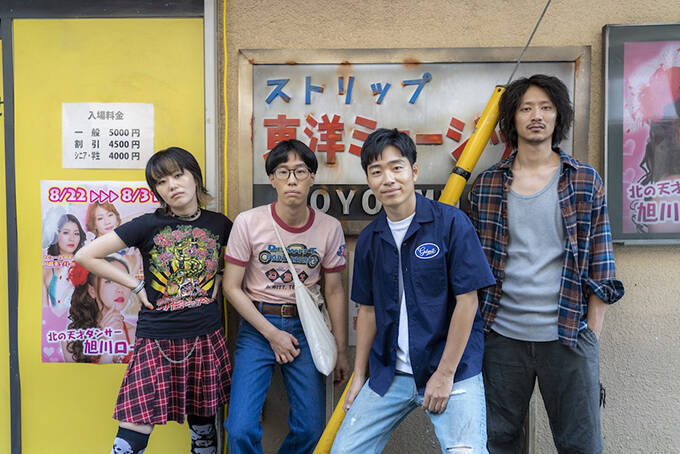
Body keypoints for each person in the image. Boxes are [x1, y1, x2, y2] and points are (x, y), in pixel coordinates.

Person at [467, 74, 625, 453]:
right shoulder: (486, 185)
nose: (536, 116)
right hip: (501, 337)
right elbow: (471, 268)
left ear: (558, 116)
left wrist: (591, 333)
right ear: (512, 118)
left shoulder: (583, 180)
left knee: (581, 444)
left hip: (567, 335)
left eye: (545, 107)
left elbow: (601, 262)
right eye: (526, 108)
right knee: (496, 441)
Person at [331, 128, 496, 454]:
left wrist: (445, 374)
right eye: (377, 171)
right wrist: (359, 375)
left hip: (452, 370)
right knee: (345, 451)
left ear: (414, 171)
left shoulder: (451, 224)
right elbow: (367, 311)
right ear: (369, 180)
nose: (388, 179)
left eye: (397, 167)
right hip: (390, 374)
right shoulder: (370, 239)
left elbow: (467, 303)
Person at [75, 147, 232, 454]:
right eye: (161, 181)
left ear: (195, 177)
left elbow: (246, 257)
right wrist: (135, 285)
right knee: (134, 429)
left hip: (205, 335)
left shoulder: (220, 224)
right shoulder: (147, 225)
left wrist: (222, 273)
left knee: (203, 427)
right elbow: (85, 255)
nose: (172, 185)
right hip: (158, 338)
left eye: (178, 175)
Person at [224, 139, 349, 454]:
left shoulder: (329, 228)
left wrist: (341, 349)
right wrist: (272, 334)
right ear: (272, 178)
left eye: (300, 171)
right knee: (239, 429)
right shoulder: (248, 222)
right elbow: (231, 287)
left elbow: (334, 290)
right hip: (258, 327)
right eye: (283, 172)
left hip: (307, 329)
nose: (292, 180)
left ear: (312, 177)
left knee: (311, 429)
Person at [63, 255, 136, 363]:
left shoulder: (136, 334)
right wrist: (107, 339)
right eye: (109, 281)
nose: (120, 289)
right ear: (92, 291)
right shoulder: (71, 340)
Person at [42, 213, 86, 308]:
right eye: (66, 233)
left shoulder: (87, 266)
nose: (72, 238)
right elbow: (44, 309)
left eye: (76, 233)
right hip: (56, 317)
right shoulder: (45, 271)